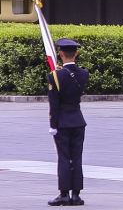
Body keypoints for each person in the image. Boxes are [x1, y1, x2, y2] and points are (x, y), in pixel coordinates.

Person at [47, 38, 89, 207]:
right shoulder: (84, 73)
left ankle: (64, 194)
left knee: (64, 157)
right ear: (76, 54)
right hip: (78, 119)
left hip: (63, 121)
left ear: (61, 54)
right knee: (76, 157)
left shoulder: (55, 75)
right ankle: (76, 195)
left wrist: (53, 124)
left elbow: (54, 103)